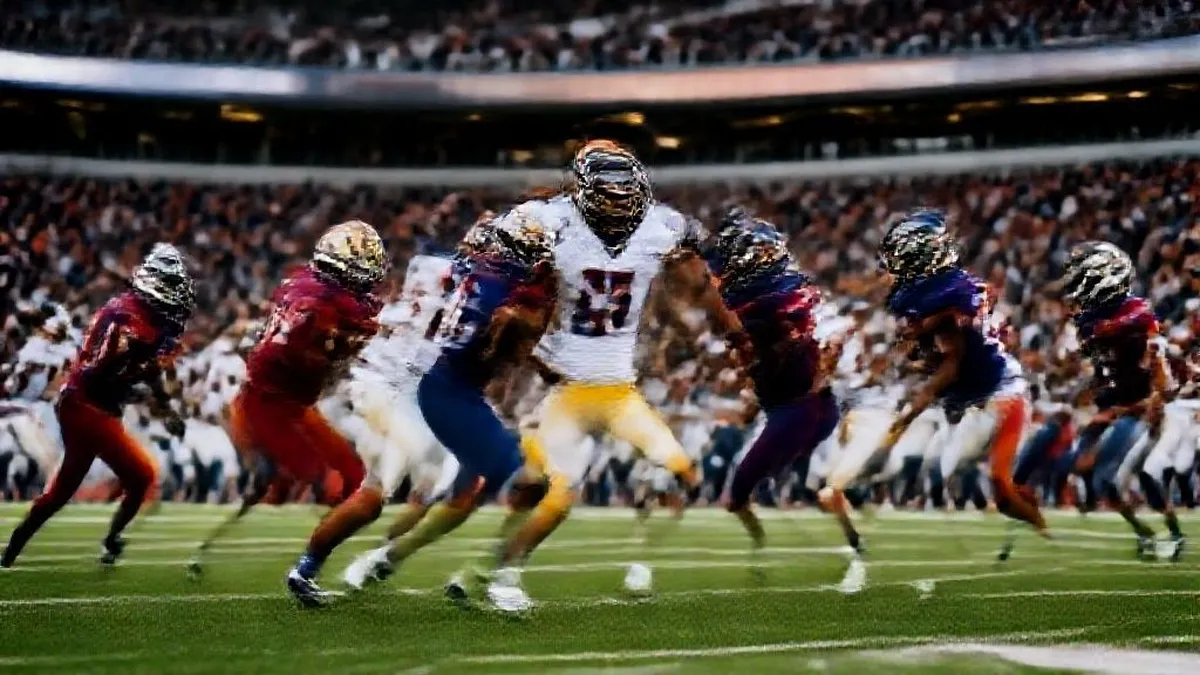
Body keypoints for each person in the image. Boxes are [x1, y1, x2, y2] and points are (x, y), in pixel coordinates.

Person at [484, 140, 726, 612]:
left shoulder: (660, 225)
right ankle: (502, 574)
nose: (618, 205)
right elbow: (497, 249)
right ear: (583, 192)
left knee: (681, 473)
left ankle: (639, 562)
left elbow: (705, 244)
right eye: (607, 195)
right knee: (554, 494)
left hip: (619, 390)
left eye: (625, 195)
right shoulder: (550, 219)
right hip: (567, 384)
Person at [338, 211, 558, 608]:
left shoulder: (481, 279)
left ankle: (380, 558)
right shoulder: (499, 295)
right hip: (451, 395)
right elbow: (498, 344)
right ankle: (500, 580)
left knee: (459, 501)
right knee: (531, 483)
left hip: (456, 391)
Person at [1, 244, 194, 568]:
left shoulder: (148, 319)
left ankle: (15, 545)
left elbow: (150, 370)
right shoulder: (126, 317)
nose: (181, 294)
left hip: (93, 406)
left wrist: (162, 404)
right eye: (174, 286)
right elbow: (97, 373)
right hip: (86, 405)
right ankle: (111, 539)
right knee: (142, 474)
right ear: (157, 285)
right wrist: (139, 390)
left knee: (62, 491)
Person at [704, 209, 842, 567]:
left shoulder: (765, 309)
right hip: (794, 407)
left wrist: (752, 362)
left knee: (741, 495)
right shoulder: (779, 298)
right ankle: (766, 544)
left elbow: (777, 350)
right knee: (739, 495)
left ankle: (783, 546)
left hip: (799, 410)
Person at [1061, 241, 1184, 561]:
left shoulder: (1136, 316)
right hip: (1117, 407)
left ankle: (1174, 533)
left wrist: (1124, 409)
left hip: (1142, 409)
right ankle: (1144, 534)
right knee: (1094, 474)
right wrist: (1084, 394)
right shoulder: (1091, 324)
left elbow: (1163, 388)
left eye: (1082, 279)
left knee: (1119, 477)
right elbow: (1102, 372)